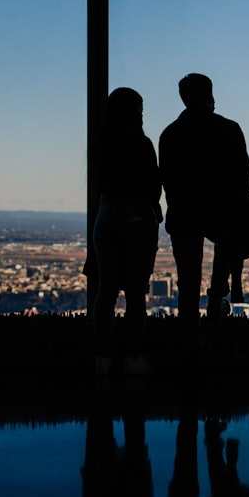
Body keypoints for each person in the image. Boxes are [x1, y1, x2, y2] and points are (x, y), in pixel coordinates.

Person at [159, 73, 249, 355]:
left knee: (187, 283)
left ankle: (189, 342)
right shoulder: (229, 129)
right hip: (223, 215)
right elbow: (245, 180)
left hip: (185, 215)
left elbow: (168, 182)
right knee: (221, 258)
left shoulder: (170, 134)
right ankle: (217, 306)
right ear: (210, 95)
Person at [90, 87, 162, 375]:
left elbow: (98, 188)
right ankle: (133, 358)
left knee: (105, 292)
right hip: (138, 222)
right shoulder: (142, 144)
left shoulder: (99, 145)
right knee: (135, 295)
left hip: (107, 219)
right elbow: (154, 188)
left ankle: (103, 358)